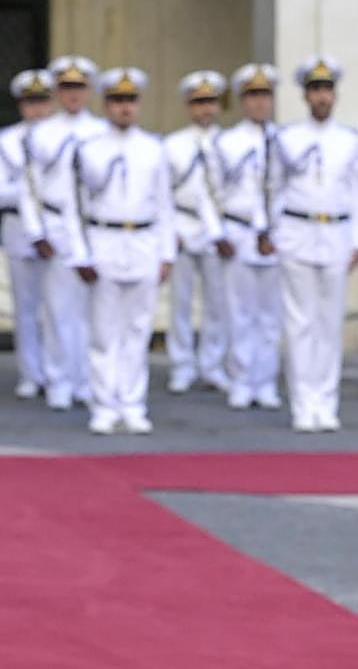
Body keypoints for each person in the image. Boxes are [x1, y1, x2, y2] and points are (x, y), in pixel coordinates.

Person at [66, 68, 175, 434]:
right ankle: (104, 404)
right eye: (116, 101)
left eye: (130, 100)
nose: (124, 108)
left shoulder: (154, 148)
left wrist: (166, 253)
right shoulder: (89, 149)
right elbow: (73, 206)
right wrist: (80, 254)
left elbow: (164, 205)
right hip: (104, 240)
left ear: (139, 104)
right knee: (103, 331)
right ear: (106, 104)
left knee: (137, 329)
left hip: (143, 242)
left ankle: (132, 403)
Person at [262, 56, 358, 432]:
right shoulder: (287, 138)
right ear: (306, 96)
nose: (322, 97)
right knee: (300, 322)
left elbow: (357, 193)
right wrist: (272, 233)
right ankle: (304, 402)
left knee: (329, 322)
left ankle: (326, 401)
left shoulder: (348, 140)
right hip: (297, 232)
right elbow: (273, 188)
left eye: (326, 90)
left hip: (335, 234)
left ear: (334, 96)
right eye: (315, 90)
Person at [20, 55, 107, 410]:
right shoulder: (41, 133)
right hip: (56, 224)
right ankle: (58, 380)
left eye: (79, 88)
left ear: (89, 92)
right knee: (58, 309)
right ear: (56, 91)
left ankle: (87, 381)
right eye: (66, 88)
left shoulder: (100, 132)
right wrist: (36, 230)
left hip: (94, 228)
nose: (72, 95)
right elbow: (30, 187)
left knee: (92, 310)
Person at [211, 63, 283, 410]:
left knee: (270, 316)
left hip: (274, 236)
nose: (259, 102)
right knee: (239, 312)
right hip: (237, 230)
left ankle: (265, 380)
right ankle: (240, 378)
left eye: (265, 95)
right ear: (242, 101)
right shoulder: (226, 141)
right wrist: (217, 232)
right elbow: (209, 191)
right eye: (252, 95)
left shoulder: (282, 140)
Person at [164, 71, 231, 394]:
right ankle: (181, 364)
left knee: (217, 301)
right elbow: (163, 193)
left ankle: (212, 364)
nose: (205, 109)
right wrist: (169, 231)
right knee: (181, 301)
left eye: (210, 102)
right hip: (183, 223)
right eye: (198, 102)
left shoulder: (227, 143)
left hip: (217, 228)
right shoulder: (173, 144)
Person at [0, 69, 54, 399]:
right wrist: (29, 193)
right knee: (27, 305)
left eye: (42, 101)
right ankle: (31, 372)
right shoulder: (7, 140)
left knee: (59, 305)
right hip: (19, 226)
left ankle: (59, 370)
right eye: (30, 102)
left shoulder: (64, 138)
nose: (36, 109)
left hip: (58, 226)